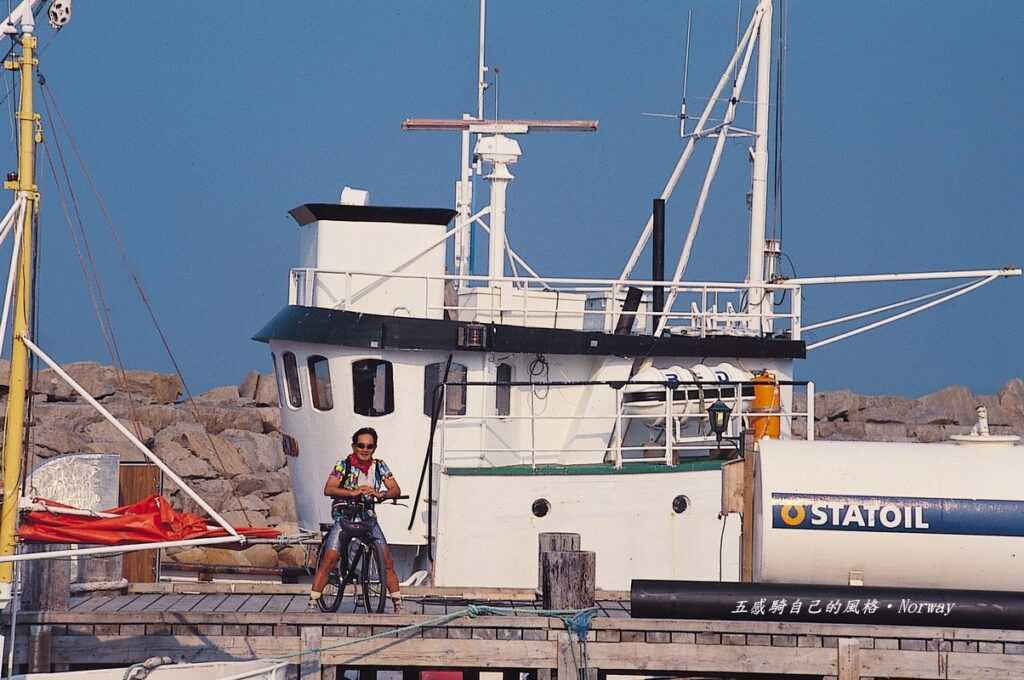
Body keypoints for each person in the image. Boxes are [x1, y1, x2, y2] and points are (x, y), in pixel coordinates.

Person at [309, 427, 403, 613]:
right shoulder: (343, 465)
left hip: (367, 517)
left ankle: (398, 604)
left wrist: (380, 493)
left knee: (386, 560)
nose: (365, 449)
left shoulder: (380, 465)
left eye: (370, 446)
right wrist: (353, 492)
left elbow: (395, 489)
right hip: (345, 515)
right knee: (330, 558)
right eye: (361, 445)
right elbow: (329, 489)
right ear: (354, 446)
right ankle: (313, 601)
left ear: (374, 448)